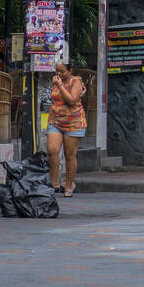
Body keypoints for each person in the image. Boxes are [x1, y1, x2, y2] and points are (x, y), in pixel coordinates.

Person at [47, 59, 87, 197]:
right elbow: (53, 101)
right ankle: (54, 183)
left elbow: (71, 100)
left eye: (62, 71)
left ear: (70, 71)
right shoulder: (55, 82)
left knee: (69, 155)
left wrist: (60, 85)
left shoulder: (76, 82)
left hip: (73, 122)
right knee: (52, 150)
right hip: (56, 121)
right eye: (57, 71)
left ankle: (69, 185)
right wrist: (50, 120)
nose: (59, 74)